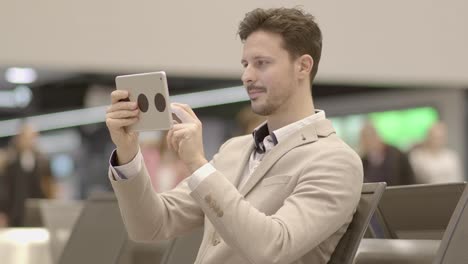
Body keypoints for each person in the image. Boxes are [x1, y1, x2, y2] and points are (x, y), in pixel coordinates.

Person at [106, 7, 363, 264]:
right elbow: (151, 225)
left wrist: (198, 164)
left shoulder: (335, 160)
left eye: (262, 63)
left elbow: (274, 248)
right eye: (245, 64)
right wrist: (128, 153)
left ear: (303, 66)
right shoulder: (234, 150)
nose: (247, 76)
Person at [3, 123, 54, 227]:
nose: (28, 141)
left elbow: (49, 187)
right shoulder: (10, 163)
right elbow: (6, 189)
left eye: (31, 137)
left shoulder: (43, 163)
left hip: (39, 211)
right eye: (25, 137)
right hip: (16, 213)